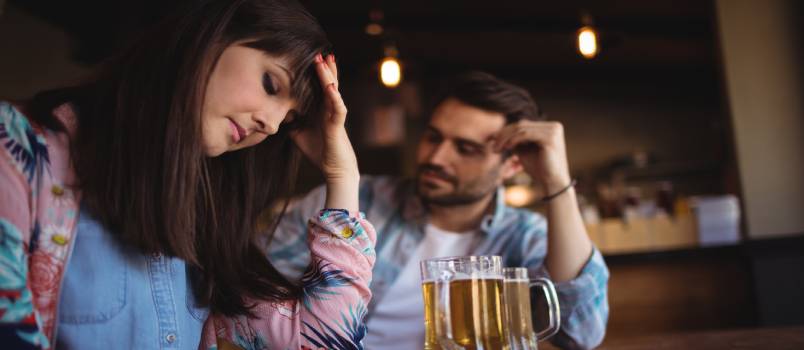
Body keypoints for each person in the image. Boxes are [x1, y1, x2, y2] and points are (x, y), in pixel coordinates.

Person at [0, 1, 375, 349]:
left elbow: (324, 342)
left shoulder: (206, 213)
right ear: (210, 38)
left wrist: (343, 176)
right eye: (270, 85)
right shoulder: (18, 153)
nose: (272, 124)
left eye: (289, 119)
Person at [269, 71, 610, 349]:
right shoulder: (349, 199)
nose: (436, 158)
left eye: (465, 148)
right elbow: (252, 293)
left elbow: (582, 333)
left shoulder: (523, 235)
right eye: (434, 137)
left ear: (512, 165)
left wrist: (558, 184)